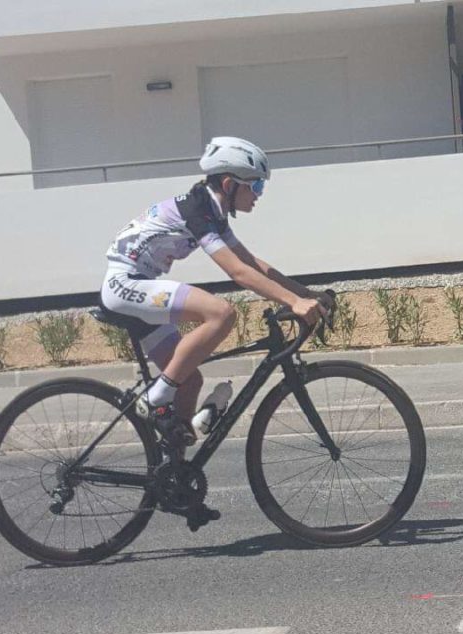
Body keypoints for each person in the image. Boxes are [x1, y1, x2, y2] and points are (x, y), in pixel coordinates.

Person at [100, 136, 331, 446]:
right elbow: (237, 272)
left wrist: (307, 295)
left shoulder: (212, 212)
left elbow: (251, 263)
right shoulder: (196, 210)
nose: (259, 195)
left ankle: (174, 478)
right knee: (221, 313)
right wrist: (293, 302)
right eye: (256, 186)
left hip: (140, 284)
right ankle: (155, 397)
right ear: (228, 184)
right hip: (126, 284)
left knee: (189, 380)